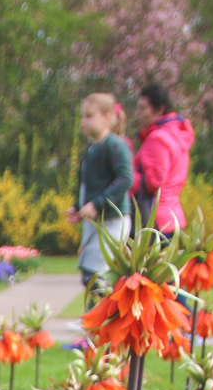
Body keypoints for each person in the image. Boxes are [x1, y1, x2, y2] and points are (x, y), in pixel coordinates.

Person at [66, 94, 134, 291]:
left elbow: (125, 179)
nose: (83, 121)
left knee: (97, 276)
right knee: (90, 275)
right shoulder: (93, 148)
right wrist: (78, 207)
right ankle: (94, 319)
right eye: (82, 116)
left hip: (112, 220)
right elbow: (89, 185)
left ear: (106, 117)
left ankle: (102, 319)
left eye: (89, 116)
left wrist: (97, 204)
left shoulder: (115, 145)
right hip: (96, 222)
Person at [133, 83, 194, 234]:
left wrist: (125, 177)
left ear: (159, 110)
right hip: (172, 217)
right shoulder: (177, 135)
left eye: (142, 108)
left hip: (154, 220)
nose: (137, 113)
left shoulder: (158, 138)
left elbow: (153, 182)